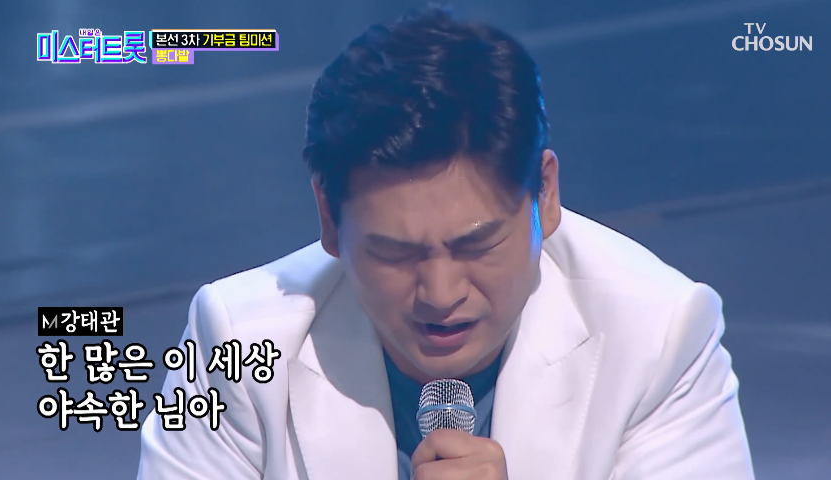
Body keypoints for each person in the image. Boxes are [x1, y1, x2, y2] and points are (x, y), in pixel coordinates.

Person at [137, 6, 755, 480]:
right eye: (394, 252)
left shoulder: (659, 332)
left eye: (477, 245)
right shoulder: (237, 342)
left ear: (544, 195)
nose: (440, 294)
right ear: (328, 216)